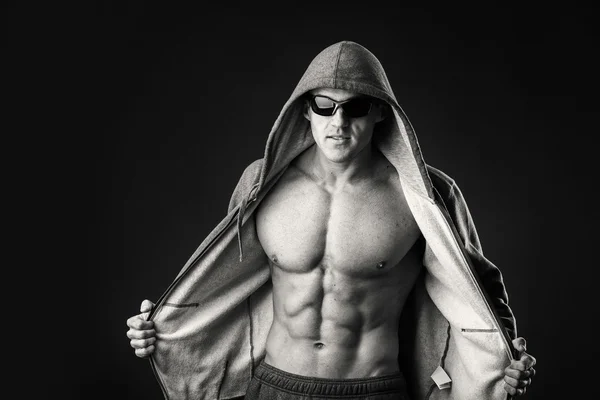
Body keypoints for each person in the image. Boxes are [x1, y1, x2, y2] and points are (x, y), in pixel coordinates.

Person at [126, 41, 536, 400]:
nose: (338, 123)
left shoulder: (425, 195)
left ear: (379, 111)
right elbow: (219, 279)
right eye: (324, 105)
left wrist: (504, 358)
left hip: (373, 389)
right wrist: (165, 322)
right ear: (305, 110)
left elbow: (477, 289)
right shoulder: (261, 184)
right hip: (274, 387)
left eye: (355, 107)